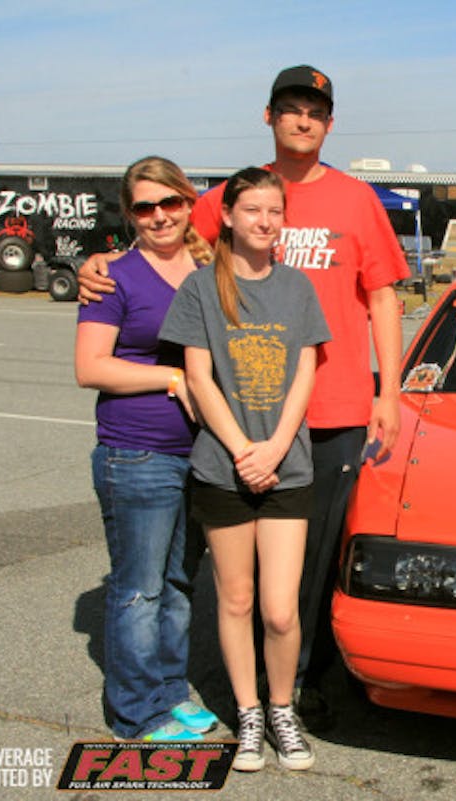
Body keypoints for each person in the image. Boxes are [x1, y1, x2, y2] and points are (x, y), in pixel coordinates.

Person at [79, 64, 409, 728]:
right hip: (237, 414)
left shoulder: (356, 200)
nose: (303, 120)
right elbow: (167, 236)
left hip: (332, 409)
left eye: (315, 111)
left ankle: (299, 683)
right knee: (208, 570)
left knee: (307, 567)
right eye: (291, 108)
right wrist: (102, 262)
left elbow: (383, 297)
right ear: (269, 117)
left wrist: (390, 392)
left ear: (330, 123)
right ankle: (199, 684)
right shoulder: (232, 193)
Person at [160, 167, 331, 772]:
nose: (265, 221)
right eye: (253, 210)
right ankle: (249, 713)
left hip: (287, 468)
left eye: (275, 211)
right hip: (223, 468)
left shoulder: (297, 288)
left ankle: (282, 708)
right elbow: (198, 377)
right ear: (228, 216)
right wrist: (241, 451)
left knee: (279, 609)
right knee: (235, 600)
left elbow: (306, 372)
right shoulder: (200, 288)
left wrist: (275, 448)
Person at [73, 156, 220, 742]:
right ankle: (137, 713)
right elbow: (90, 367)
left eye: (170, 202)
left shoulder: (211, 267)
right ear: (129, 214)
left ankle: (170, 691)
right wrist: (172, 378)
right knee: (139, 588)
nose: (159, 216)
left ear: (188, 202)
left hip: (201, 453)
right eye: (144, 207)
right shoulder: (114, 276)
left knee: (180, 584)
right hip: (137, 453)